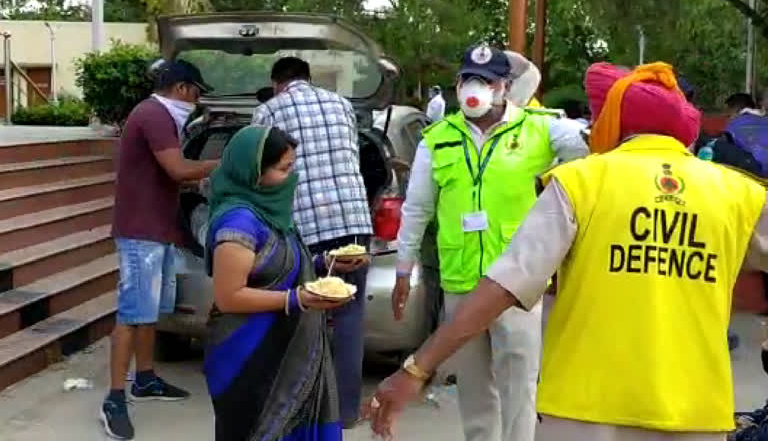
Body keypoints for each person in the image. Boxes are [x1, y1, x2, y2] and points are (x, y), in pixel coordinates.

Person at [370, 61, 768, 441]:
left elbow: (505, 285)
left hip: (585, 409)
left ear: (613, 122)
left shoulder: (579, 182)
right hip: (695, 410)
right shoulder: (739, 193)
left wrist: (417, 368)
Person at [391, 45, 588, 441]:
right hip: (461, 280)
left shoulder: (541, 129)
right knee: (475, 389)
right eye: (467, 79)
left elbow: (595, 148)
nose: (474, 88)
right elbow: (416, 209)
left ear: (505, 88)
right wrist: (402, 269)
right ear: (457, 84)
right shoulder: (438, 139)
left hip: (518, 284)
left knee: (520, 385)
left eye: (486, 80)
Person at [203, 126, 346, 441]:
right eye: (284, 170)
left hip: (288, 348)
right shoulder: (237, 223)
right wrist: (296, 300)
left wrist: (325, 263)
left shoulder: (270, 213)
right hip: (249, 357)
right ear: (254, 174)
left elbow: (278, 264)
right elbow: (229, 297)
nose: (292, 178)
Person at [251, 56, 371, 429]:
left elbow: (258, 168)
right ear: (308, 77)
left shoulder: (267, 112)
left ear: (277, 83)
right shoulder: (343, 105)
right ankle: (347, 412)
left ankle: (305, 409)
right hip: (353, 222)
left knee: (301, 314)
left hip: (304, 227)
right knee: (349, 316)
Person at [103, 60, 219, 440]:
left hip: (157, 229)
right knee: (132, 313)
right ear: (184, 88)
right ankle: (115, 398)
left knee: (150, 310)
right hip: (141, 232)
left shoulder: (162, 117)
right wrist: (223, 164)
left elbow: (167, 176)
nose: (198, 101)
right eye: (198, 93)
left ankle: (146, 378)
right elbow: (177, 169)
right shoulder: (153, 114)